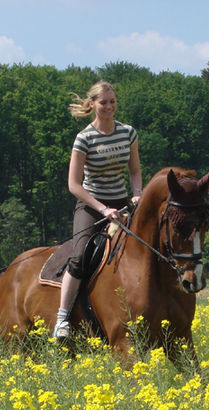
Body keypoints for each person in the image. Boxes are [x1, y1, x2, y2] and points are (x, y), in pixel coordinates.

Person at [54, 80, 142, 338]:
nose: (109, 106)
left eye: (112, 101)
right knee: (80, 256)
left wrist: (137, 193)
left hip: (122, 203)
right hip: (91, 206)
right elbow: (73, 185)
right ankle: (62, 318)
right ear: (92, 104)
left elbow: (135, 171)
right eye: (104, 102)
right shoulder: (84, 138)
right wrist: (102, 209)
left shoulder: (128, 133)